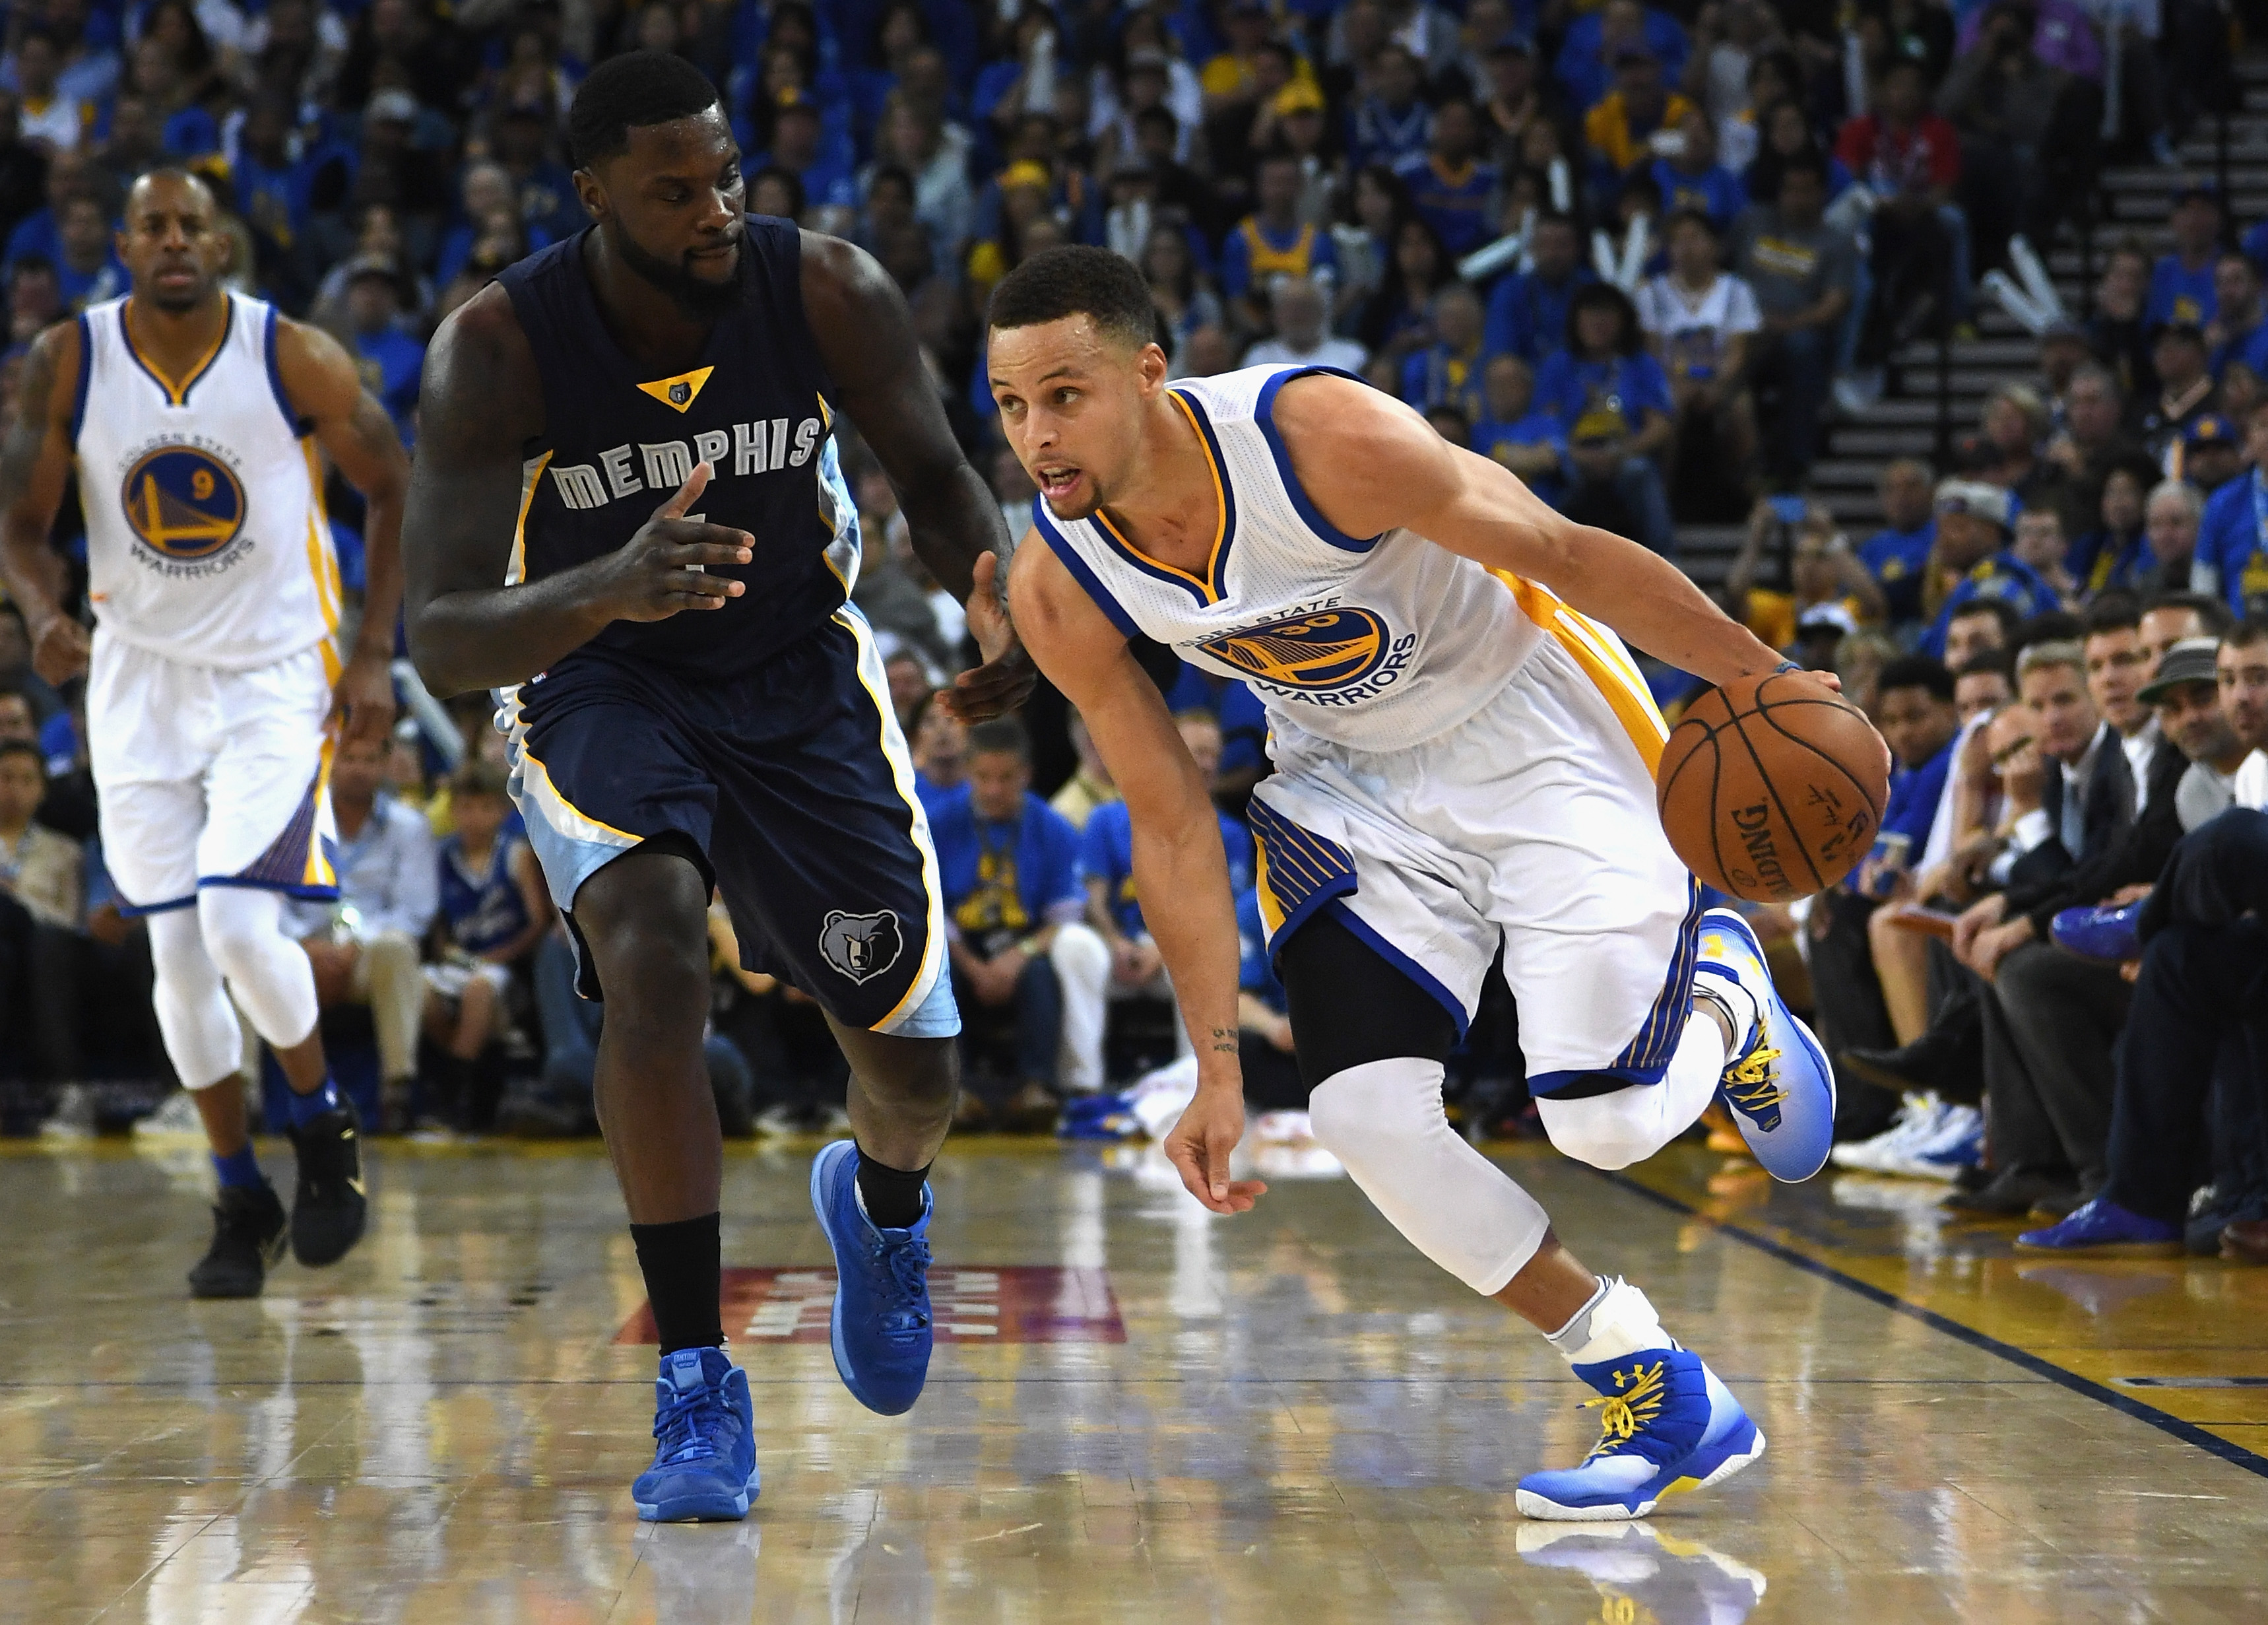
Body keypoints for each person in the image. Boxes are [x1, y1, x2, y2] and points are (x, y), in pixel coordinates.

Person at [987, 245, 1849, 1521]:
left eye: (1065, 395)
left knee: (1602, 1124)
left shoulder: (1317, 438)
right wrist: (1215, 1065)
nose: (1036, 436)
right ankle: (1655, 1385)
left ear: (1149, 374)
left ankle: (1728, 990)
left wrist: (1758, 676)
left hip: (1533, 722)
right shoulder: (1057, 581)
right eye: (1011, 405)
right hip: (1346, 779)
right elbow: (1167, 827)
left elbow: (1562, 549)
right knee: (1364, 1117)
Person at [400, 55, 1029, 1525]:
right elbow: (441, 635)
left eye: (726, 175)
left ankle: (881, 1208)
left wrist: (995, 599)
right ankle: (695, 1374)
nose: (715, 209)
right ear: (592, 195)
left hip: (798, 675)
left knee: (915, 1076)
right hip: (597, 677)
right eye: (673, 190)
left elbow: (938, 476)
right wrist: (605, 589)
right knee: (652, 952)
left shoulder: (826, 289)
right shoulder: (496, 347)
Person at [0, 167, 408, 1299]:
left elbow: (392, 483)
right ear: (123, 246)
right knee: (176, 954)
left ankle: (321, 1121)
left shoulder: (293, 355)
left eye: (193, 225)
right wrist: (40, 610)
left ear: (222, 246)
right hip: (137, 680)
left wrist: (375, 651)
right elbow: (22, 524)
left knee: (235, 923)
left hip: (273, 676)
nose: (174, 240)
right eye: (154, 225)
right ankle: (239, 1193)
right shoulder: (68, 361)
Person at [286, 731, 437, 1132]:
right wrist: (306, 946)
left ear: (385, 765)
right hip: (303, 954)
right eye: (349, 759)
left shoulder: (411, 827)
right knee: (248, 956)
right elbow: (271, 903)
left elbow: (415, 912)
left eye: (370, 760)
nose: (359, 770)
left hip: (368, 958)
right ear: (330, 762)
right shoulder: (295, 822)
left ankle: (398, 1091)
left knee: (397, 948)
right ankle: (244, 1094)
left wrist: (356, 943)